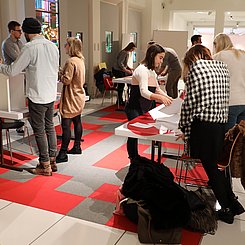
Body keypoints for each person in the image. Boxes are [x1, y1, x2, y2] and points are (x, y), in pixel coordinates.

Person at [178, 44, 244, 224]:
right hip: (220, 124)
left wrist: (183, 127)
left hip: (204, 127)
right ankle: (234, 203)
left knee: (211, 170)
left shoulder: (196, 69)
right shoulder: (222, 68)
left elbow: (189, 104)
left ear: (191, 59)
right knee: (215, 167)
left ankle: (227, 209)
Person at [0, 17, 59, 176]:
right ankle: (52, 161)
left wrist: (0, 66)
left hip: (38, 94)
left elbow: (13, 70)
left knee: (39, 130)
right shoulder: (53, 46)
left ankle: (44, 165)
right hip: (50, 93)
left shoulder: (29, 47)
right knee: (50, 127)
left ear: (26, 32)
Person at [125, 43, 173, 160]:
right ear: (152, 55)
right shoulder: (141, 70)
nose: (161, 62)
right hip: (134, 107)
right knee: (133, 134)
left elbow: (157, 89)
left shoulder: (151, 71)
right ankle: (133, 157)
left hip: (144, 107)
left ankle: (137, 157)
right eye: (160, 58)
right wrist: (161, 98)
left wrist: (170, 99)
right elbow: (144, 92)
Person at [56, 37, 86, 163]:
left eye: (66, 45)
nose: (64, 47)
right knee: (77, 121)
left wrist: (59, 74)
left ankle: (63, 153)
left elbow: (67, 80)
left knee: (66, 125)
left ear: (71, 46)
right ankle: (77, 146)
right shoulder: (80, 60)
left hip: (70, 97)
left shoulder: (70, 61)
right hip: (79, 95)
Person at [213, 33, 245, 131]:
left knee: (228, 139)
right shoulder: (243, 54)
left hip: (229, 102)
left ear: (216, 44)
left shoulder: (219, 56)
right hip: (243, 101)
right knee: (239, 140)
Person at [1, 20, 24, 134]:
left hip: (20, 74)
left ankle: (20, 124)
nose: (21, 33)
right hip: (11, 75)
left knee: (20, 100)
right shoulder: (7, 43)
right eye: (18, 30)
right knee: (14, 100)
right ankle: (17, 122)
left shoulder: (20, 43)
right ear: (11, 31)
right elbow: (18, 58)